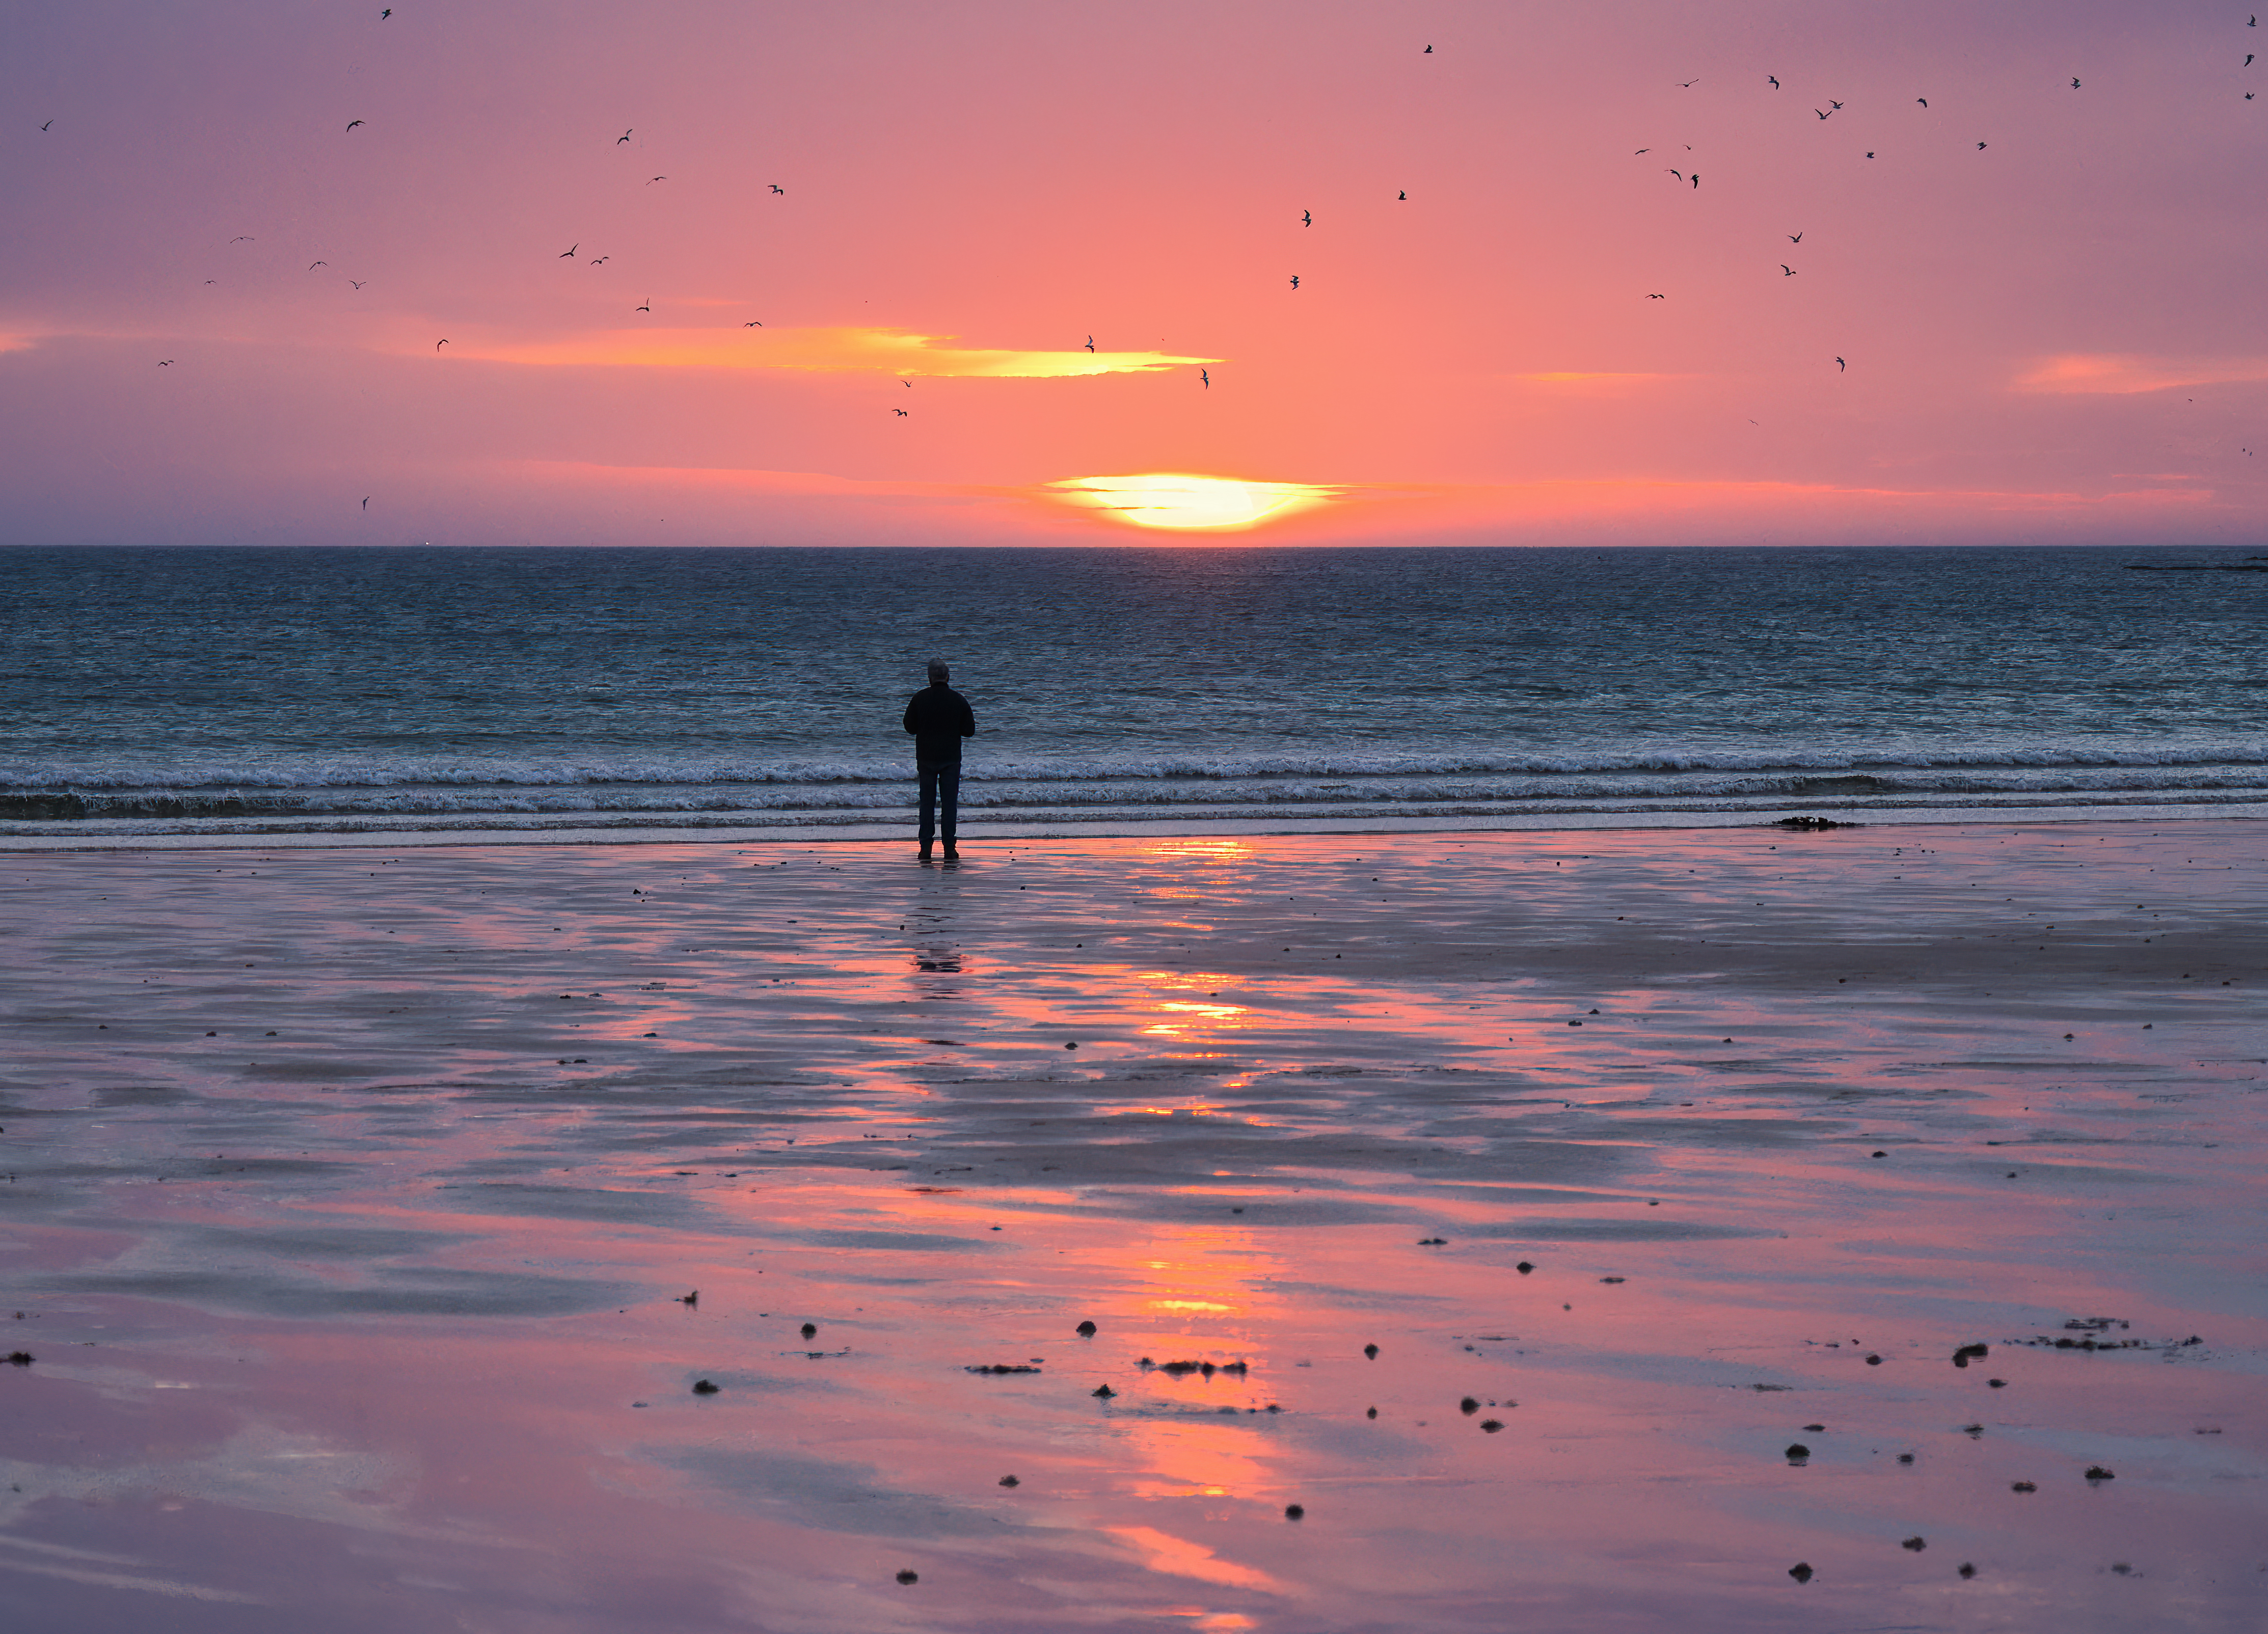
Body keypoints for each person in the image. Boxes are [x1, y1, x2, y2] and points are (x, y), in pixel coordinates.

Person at [902, 658, 975, 859]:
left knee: (927, 803)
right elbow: (969, 731)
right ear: (948, 677)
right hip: (951, 757)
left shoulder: (920, 699)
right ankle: (949, 848)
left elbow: (909, 727)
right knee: (949, 804)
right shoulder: (958, 700)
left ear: (930, 678)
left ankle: (926, 848)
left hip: (926, 757)